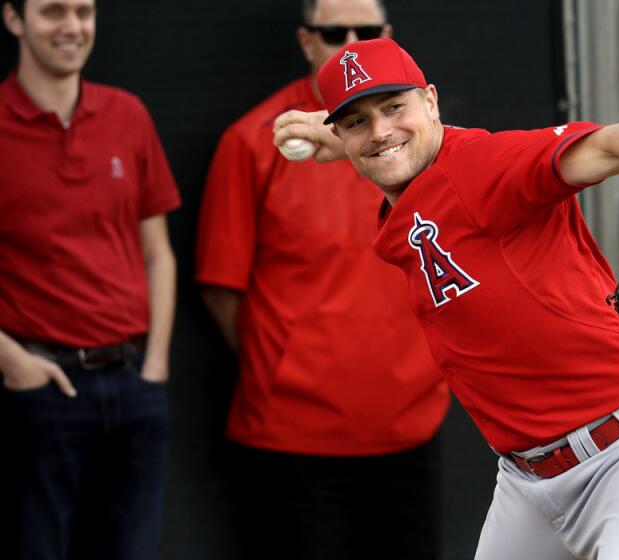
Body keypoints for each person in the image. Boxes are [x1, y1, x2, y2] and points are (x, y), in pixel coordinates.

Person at [273, 37, 619, 560]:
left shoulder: (485, 166)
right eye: (357, 120)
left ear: (431, 101)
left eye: (394, 106)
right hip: (528, 483)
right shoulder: (409, 183)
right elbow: (390, 147)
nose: (380, 129)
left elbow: (610, 144)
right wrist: (358, 136)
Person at [195, 1, 449, 558]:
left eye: (365, 31)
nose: (350, 42)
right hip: (294, 436)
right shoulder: (253, 140)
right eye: (335, 31)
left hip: (410, 424)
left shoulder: (425, 142)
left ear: (387, 37)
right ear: (307, 40)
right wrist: (288, 362)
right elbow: (221, 286)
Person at [0, 0, 180, 559]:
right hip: (36, 391)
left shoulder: (127, 115)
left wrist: (154, 366)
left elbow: (159, 253)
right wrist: (12, 362)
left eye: (84, 11)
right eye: (53, 12)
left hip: (133, 384)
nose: (73, 27)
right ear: (14, 19)